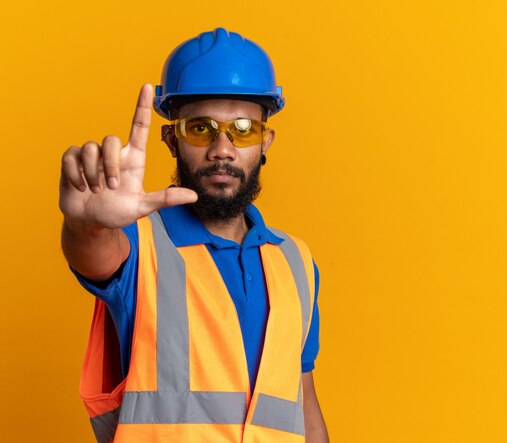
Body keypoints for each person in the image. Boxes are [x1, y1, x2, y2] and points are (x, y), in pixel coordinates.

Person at [60, 28, 330, 443]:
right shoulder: (138, 245)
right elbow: (93, 251)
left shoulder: (295, 261)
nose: (222, 148)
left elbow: (304, 402)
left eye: (243, 129)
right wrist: (87, 223)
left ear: (265, 143)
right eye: (200, 129)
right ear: (172, 140)